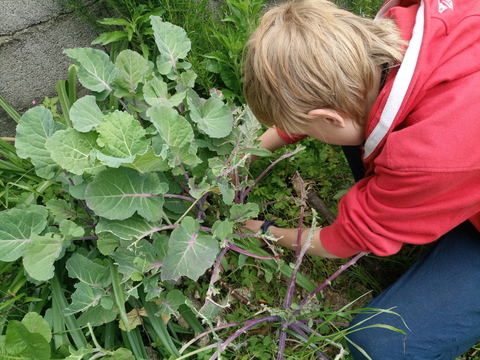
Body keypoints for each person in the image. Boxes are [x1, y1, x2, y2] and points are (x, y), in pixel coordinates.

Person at [242, 0, 480, 358]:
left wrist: (258, 229)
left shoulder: (421, 158)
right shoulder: (413, 19)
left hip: (454, 168)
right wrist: (244, 155)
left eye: (306, 127)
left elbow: (338, 242)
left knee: (377, 344)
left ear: (329, 117)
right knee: (365, 128)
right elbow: (342, 108)